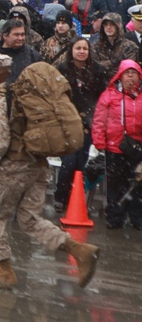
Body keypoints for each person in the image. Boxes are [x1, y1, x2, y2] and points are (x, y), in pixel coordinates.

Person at [0, 54, 99, 289]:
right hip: (38, 165)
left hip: (14, 167)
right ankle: (79, 249)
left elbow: (0, 143)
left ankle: (4, 270)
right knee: (29, 219)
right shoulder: (21, 96)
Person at [53, 38, 106, 212]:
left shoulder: (97, 70)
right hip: (66, 125)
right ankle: (60, 197)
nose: (82, 51)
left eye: (85, 48)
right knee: (69, 162)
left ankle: (76, 199)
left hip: (87, 126)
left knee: (81, 164)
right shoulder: (62, 70)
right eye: (78, 48)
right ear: (72, 50)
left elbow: (101, 97)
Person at [91, 59, 142, 229]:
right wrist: (99, 141)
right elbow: (99, 120)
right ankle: (115, 217)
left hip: (138, 148)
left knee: (137, 185)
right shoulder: (109, 95)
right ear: (119, 76)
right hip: (115, 147)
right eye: (126, 73)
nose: (130, 77)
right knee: (115, 185)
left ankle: (137, 218)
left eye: (133, 73)